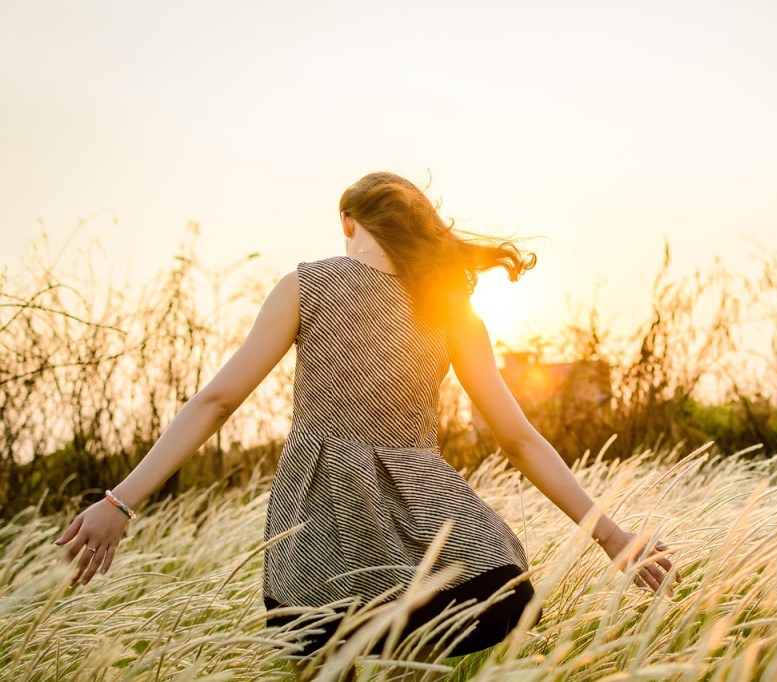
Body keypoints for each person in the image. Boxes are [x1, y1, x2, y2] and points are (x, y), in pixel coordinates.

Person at [53, 171, 680, 679]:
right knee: (421, 660)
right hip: (427, 533)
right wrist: (612, 537)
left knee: (326, 666)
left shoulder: (307, 284)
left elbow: (217, 403)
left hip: (318, 529)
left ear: (349, 222)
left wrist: (121, 500)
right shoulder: (451, 311)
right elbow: (519, 439)